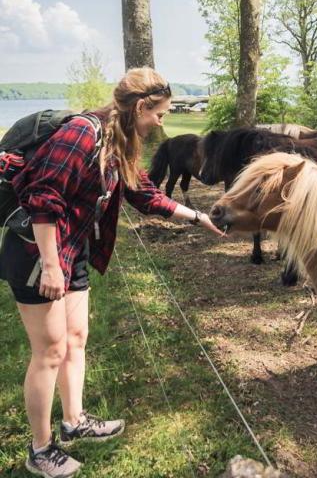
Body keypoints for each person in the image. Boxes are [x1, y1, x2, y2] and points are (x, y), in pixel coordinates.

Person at [0, 68, 224, 478]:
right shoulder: (83, 134)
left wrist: (198, 217)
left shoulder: (118, 142)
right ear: (141, 106)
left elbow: (144, 194)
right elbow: (43, 197)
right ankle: (40, 449)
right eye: (159, 114)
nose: (161, 122)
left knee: (76, 339)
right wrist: (51, 265)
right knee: (49, 352)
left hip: (73, 249)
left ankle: (74, 420)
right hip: (37, 252)